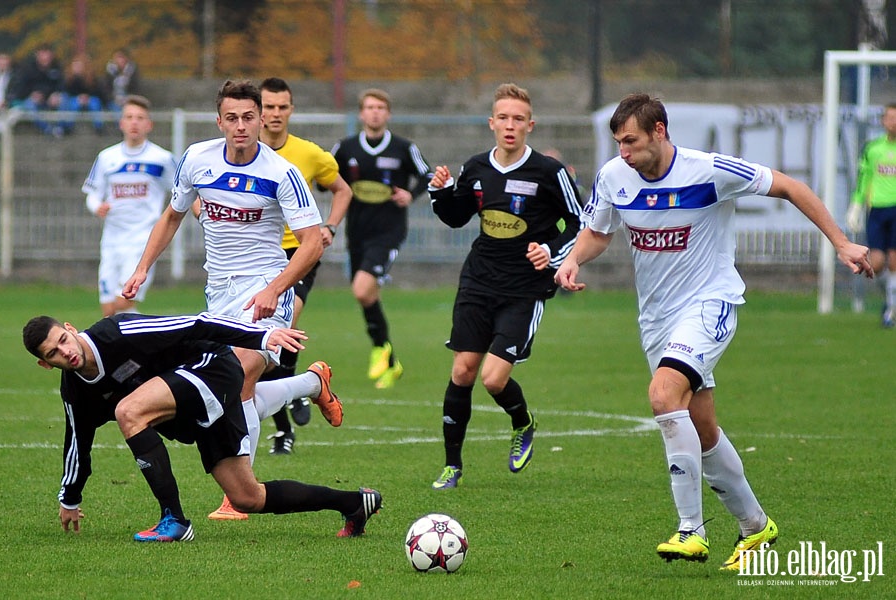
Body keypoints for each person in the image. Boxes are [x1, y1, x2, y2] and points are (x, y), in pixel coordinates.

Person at [555, 93, 873, 571]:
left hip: (710, 303)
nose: (623, 152)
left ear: (659, 131)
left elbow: (789, 187)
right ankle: (755, 526)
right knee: (701, 430)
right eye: (618, 142)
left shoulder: (709, 170)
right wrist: (574, 258)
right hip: (657, 319)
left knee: (664, 396)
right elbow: (599, 231)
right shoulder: (613, 176)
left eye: (632, 141)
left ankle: (690, 531)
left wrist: (841, 242)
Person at [122, 79, 342, 521]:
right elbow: (171, 216)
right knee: (228, 385)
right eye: (232, 118)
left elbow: (313, 242)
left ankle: (240, 492)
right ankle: (311, 384)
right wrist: (143, 267)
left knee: (241, 372)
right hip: (218, 294)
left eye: (249, 117)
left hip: (266, 286)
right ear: (219, 120)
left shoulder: (282, 173)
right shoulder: (196, 160)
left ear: (261, 119)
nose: (241, 126)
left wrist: (274, 289)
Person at [22, 312, 381, 542]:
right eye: (53, 353)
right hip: (192, 403)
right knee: (246, 497)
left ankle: (173, 520)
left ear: (70, 328)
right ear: (44, 364)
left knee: (128, 411)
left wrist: (259, 338)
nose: (65, 351)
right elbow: (76, 444)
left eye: (63, 340)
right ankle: (353, 503)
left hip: (210, 367)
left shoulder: (116, 332)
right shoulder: (75, 392)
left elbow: (197, 322)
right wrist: (69, 498)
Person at [427, 83, 583, 489]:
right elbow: (456, 216)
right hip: (478, 280)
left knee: (493, 379)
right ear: (491, 123)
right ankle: (452, 466)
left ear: (530, 125)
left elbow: (581, 223)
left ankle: (522, 421)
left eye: (518, 119)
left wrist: (550, 251)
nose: (510, 126)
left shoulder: (550, 172)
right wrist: (440, 193)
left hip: (524, 288)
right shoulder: (476, 167)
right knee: (462, 370)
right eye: (503, 118)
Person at [256, 76, 353, 455]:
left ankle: (297, 391)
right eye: (269, 107)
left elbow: (342, 190)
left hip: (298, 253)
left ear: (291, 110)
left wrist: (330, 226)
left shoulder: (310, 154)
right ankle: (289, 413)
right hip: (254, 257)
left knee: (286, 321)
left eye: (282, 107)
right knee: (261, 344)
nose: (275, 114)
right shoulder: (242, 152)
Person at [331, 88, 433, 389]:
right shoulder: (346, 147)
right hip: (356, 232)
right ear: (361, 114)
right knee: (367, 295)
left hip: (389, 232)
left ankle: (379, 350)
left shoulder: (403, 148)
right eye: (370, 107)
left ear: (387, 114)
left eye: (380, 107)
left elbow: (427, 175)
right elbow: (327, 177)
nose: (375, 112)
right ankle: (389, 358)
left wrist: (410, 194)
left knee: (362, 290)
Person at [82, 95, 175, 316]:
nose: (134, 122)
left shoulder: (162, 158)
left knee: (123, 302)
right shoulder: (106, 157)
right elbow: (93, 194)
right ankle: (136, 348)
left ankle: (143, 343)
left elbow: (181, 190)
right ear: (121, 123)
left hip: (142, 241)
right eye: (129, 117)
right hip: (112, 241)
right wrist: (97, 207)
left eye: (140, 118)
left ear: (149, 124)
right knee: (108, 310)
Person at [847, 102, 896, 328]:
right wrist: (856, 207)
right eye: (890, 118)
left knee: (895, 261)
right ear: (883, 121)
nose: (893, 122)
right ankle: (891, 297)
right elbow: (864, 180)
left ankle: (890, 311)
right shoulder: (873, 149)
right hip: (877, 210)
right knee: (875, 264)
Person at [10, 43, 67, 136]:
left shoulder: (57, 67)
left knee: (64, 98)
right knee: (29, 104)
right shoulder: (28, 69)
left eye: (47, 54)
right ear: (37, 55)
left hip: (51, 98)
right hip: (34, 100)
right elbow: (21, 89)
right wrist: (33, 94)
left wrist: (55, 94)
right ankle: (47, 129)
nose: (45, 58)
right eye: (42, 54)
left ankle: (62, 128)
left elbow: (62, 85)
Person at [64, 53, 106, 133]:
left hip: (89, 98)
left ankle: (99, 127)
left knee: (95, 103)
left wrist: (87, 97)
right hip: (75, 98)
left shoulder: (91, 77)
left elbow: (96, 91)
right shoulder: (69, 78)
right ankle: (68, 126)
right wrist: (79, 97)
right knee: (73, 104)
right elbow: (68, 91)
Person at [104, 48, 139, 112]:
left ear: (126, 59)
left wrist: (127, 99)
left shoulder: (132, 72)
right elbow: (106, 89)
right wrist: (114, 98)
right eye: (117, 58)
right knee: (116, 109)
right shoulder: (109, 72)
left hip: (128, 99)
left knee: (129, 109)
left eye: (121, 57)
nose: (119, 60)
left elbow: (135, 89)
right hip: (113, 100)